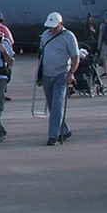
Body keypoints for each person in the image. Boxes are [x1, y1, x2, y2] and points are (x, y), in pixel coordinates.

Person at [36, 12, 79, 146]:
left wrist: (71, 72)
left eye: (54, 27)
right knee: (51, 105)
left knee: (57, 105)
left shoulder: (69, 36)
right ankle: (65, 130)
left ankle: (53, 135)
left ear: (61, 24)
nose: (51, 30)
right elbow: (42, 55)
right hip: (47, 75)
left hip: (61, 74)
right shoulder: (45, 35)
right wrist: (39, 75)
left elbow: (75, 56)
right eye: (50, 27)